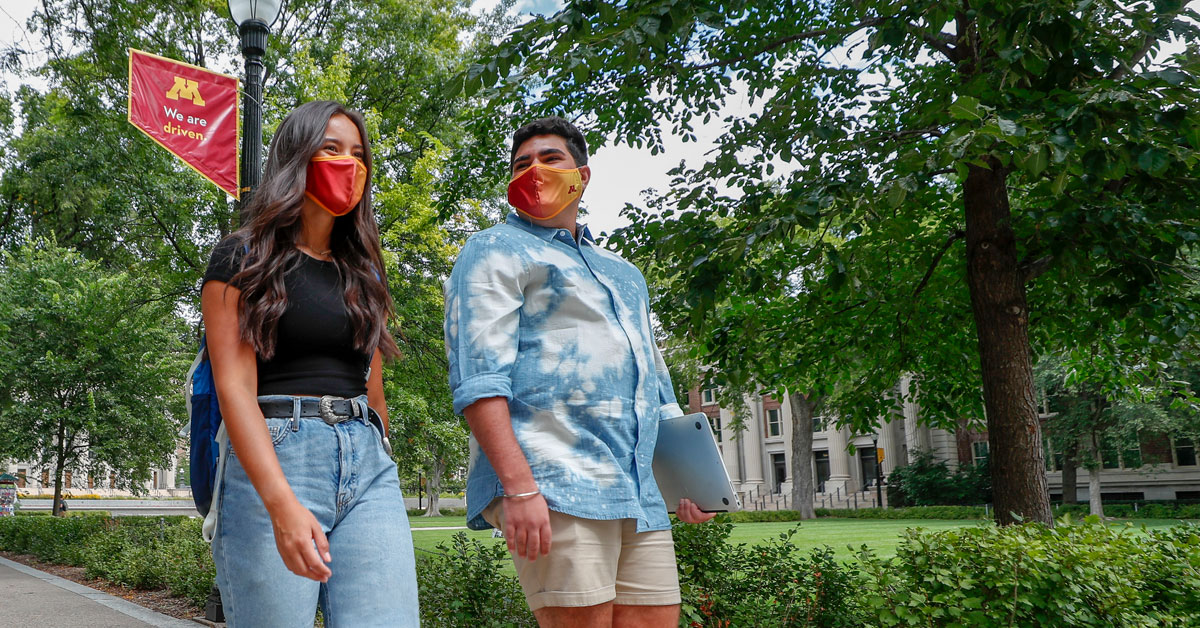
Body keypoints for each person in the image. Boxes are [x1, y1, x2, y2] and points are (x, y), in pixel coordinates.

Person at [444, 116, 715, 628]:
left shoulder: (624, 273)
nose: (535, 170)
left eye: (550, 159)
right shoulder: (494, 250)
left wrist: (688, 480)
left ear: (582, 176)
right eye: (522, 163)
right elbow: (479, 380)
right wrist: (519, 489)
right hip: (553, 478)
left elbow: (655, 387)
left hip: (638, 492)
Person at [201, 100, 419, 627]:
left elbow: (373, 387)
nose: (350, 164)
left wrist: (380, 448)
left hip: (367, 464)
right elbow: (234, 389)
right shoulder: (242, 256)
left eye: (359, 154)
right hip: (277, 453)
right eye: (332, 149)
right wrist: (280, 504)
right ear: (297, 156)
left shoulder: (363, 270)